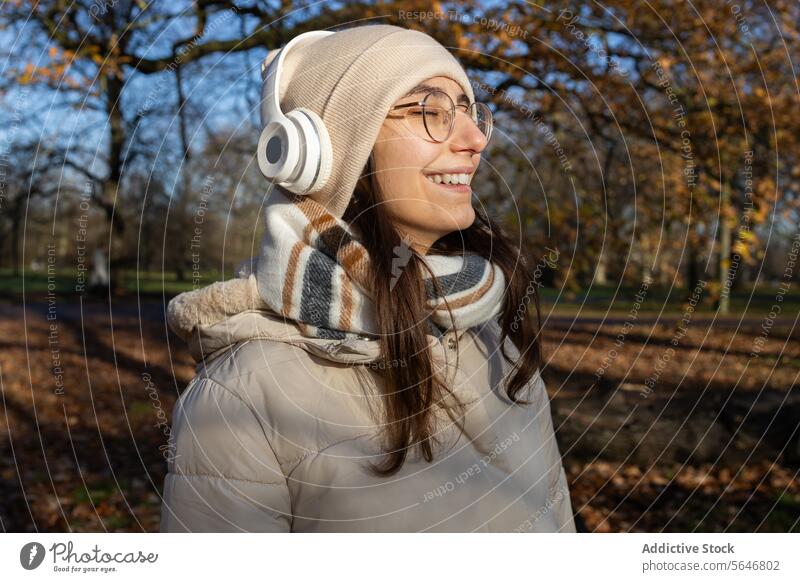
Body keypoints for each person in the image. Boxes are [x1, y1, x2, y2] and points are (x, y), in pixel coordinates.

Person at [159, 23, 576, 533]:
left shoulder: (498, 344)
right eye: (432, 111)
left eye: (470, 112)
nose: (474, 140)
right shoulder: (240, 402)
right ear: (327, 151)